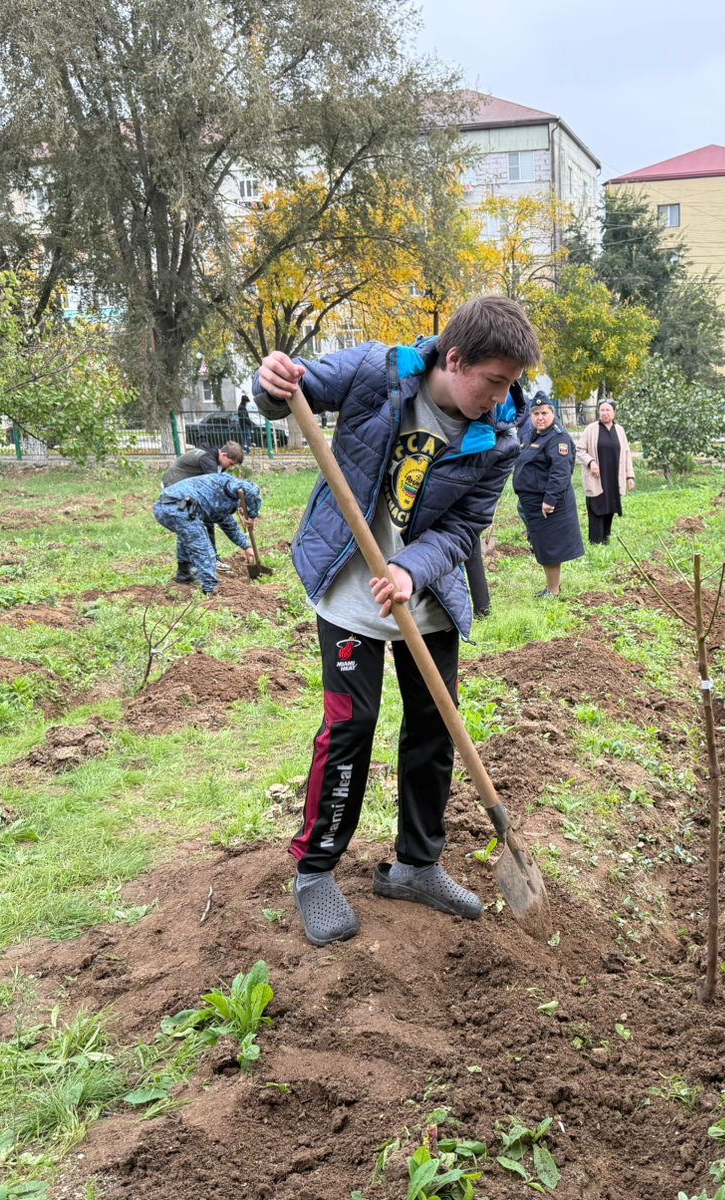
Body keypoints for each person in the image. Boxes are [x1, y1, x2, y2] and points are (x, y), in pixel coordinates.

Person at [250, 295, 539, 948]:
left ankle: (417, 864)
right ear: (455, 359)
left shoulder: (498, 437)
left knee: (435, 726)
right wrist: (270, 384)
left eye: (510, 385)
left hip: (426, 595)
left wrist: (411, 568)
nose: (500, 397)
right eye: (492, 382)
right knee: (350, 726)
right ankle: (316, 870)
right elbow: (294, 388)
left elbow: (465, 526)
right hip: (351, 589)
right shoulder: (376, 372)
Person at [512, 395, 584, 597]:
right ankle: (551, 587)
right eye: (536, 414)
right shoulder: (534, 435)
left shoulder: (558, 438)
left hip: (547, 503)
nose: (540, 417)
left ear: (553, 413)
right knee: (543, 545)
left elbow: (560, 473)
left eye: (544, 413)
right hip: (533, 502)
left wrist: (549, 500)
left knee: (550, 546)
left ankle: (553, 590)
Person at [152, 472, 261, 594]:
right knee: (204, 549)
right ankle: (210, 590)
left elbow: (230, 526)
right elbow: (249, 489)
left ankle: (185, 573)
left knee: (187, 536)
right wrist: (252, 516)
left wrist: (246, 547)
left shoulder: (224, 502)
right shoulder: (231, 485)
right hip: (178, 506)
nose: (242, 511)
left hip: (165, 507)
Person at [161, 441, 245, 584]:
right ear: (223, 455)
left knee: (199, 523)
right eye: (230, 463)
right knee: (198, 523)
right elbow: (215, 488)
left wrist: (238, 503)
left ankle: (192, 567)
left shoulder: (214, 459)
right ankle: (201, 565)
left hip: (185, 489)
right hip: (174, 487)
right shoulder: (208, 460)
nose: (230, 468)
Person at [576, 400, 634, 545]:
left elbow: (626, 453)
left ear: (614, 413)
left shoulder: (619, 430)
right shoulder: (591, 429)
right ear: (598, 412)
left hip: (614, 477)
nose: (605, 413)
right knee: (596, 508)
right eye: (602, 410)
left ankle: (606, 541)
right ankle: (595, 543)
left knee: (610, 508)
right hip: (597, 477)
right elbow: (579, 450)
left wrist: (630, 476)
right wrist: (591, 462)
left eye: (608, 410)